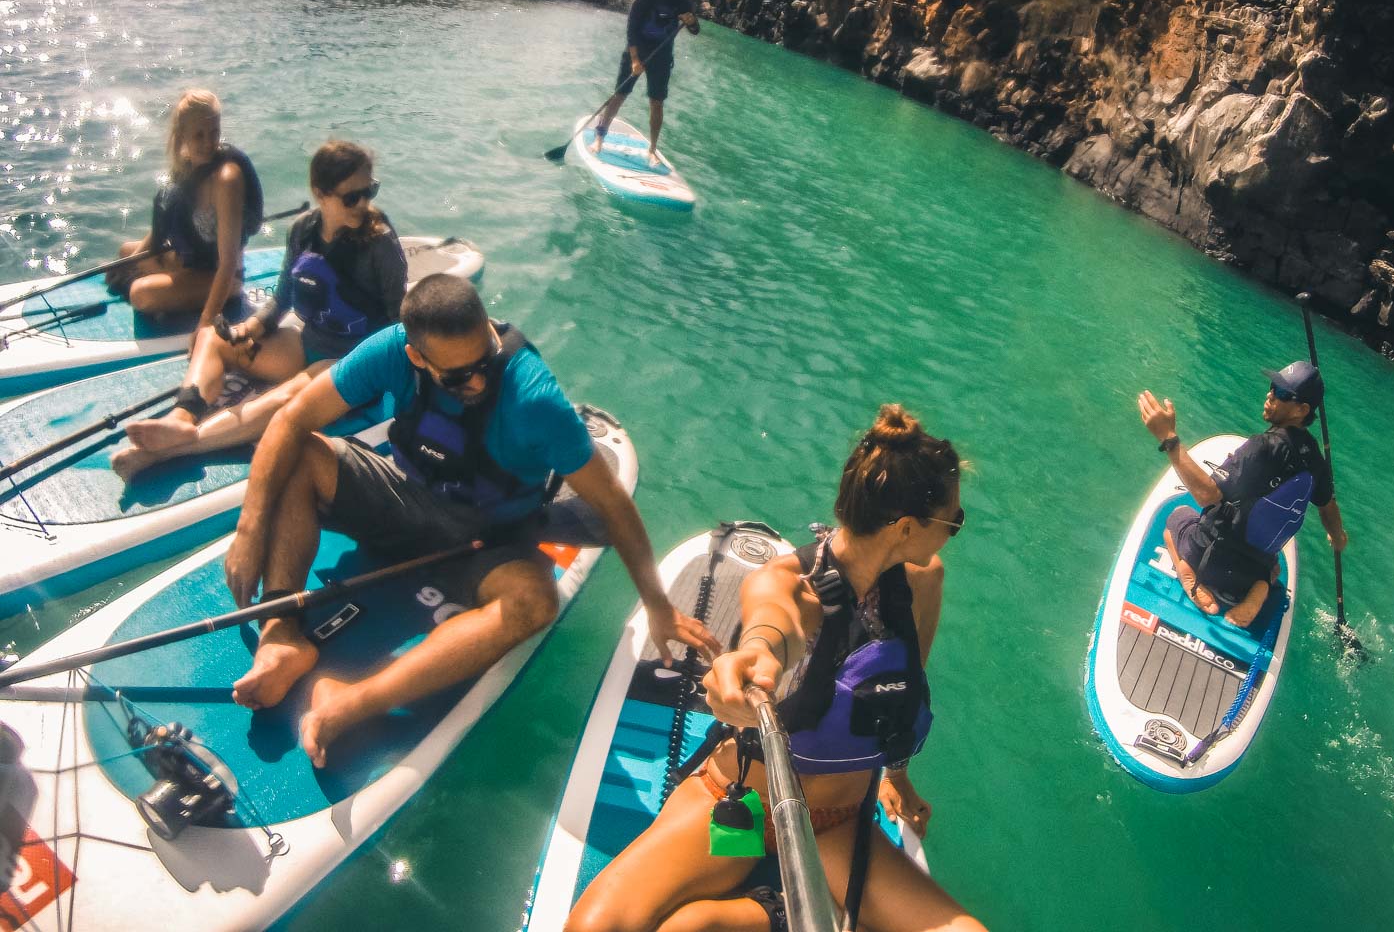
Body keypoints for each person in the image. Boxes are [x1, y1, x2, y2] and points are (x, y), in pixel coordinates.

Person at [222, 273, 720, 767]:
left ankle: (351, 702)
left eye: (485, 361)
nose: (478, 381)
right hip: (405, 499)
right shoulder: (392, 349)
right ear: (416, 356)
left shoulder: (535, 399)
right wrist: (250, 529)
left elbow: (613, 505)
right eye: (459, 377)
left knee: (533, 602)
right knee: (302, 453)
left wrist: (658, 605)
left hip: (483, 537)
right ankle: (281, 632)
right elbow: (290, 420)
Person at [567, 405, 986, 932]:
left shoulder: (924, 580)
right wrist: (753, 659)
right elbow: (773, 629)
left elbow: (905, 689)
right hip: (739, 807)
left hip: (833, 830)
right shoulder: (786, 583)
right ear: (906, 527)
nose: (954, 531)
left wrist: (897, 775)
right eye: (956, 520)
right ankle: (775, 910)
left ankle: (769, 911)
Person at [112, 140, 406, 480]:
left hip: (352, 363)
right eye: (352, 197)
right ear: (320, 193)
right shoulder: (304, 230)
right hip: (308, 345)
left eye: (370, 191)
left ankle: (183, 444)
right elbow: (281, 299)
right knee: (211, 337)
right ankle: (181, 418)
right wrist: (249, 330)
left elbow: (399, 322)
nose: (364, 204)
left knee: (290, 393)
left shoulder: (379, 242)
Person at [1139, 361, 1348, 628]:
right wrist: (1338, 536)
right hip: (1252, 573)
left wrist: (1168, 437)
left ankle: (1188, 575)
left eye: (1283, 394)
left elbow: (1206, 494)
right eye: (1273, 387)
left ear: (1302, 410)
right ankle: (1259, 590)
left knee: (1176, 519)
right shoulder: (1316, 460)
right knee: (1274, 569)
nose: (1270, 395)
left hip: (1211, 561)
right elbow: (1327, 506)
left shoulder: (1262, 447)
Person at [109, 89, 263, 321]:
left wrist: (206, 322)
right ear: (182, 136)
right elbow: (168, 222)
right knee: (126, 253)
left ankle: (180, 291)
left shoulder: (226, 179)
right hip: (192, 262)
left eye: (214, 133)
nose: (209, 143)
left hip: (224, 277)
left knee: (140, 293)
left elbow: (228, 262)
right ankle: (175, 283)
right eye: (198, 135)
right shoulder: (188, 168)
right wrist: (132, 264)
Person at [591, 0, 700, 165]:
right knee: (619, 95)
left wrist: (692, 21)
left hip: (662, 56)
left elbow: (695, 30)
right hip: (637, 52)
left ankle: (652, 150)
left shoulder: (682, 1)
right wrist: (634, 60)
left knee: (657, 102)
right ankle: (599, 138)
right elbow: (631, 30)